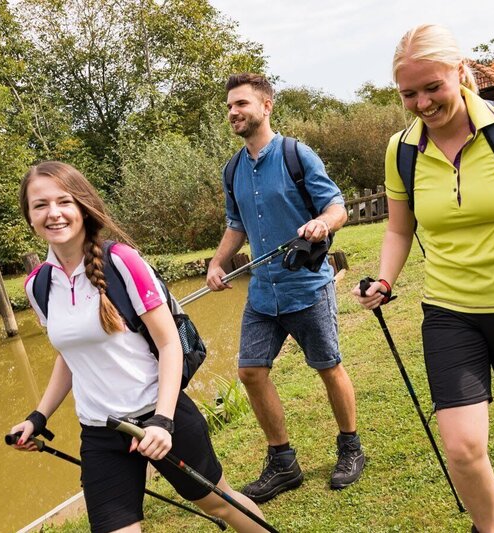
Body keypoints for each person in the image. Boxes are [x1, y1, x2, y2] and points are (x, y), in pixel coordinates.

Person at [352, 25, 494, 533]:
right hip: (450, 312)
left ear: (461, 72)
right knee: (460, 444)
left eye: (432, 87)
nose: (422, 103)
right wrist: (385, 282)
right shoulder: (402, 149)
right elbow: (397, 228)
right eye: (408, 93)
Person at [9, 161, 267, 533]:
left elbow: (168, 344)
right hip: (100, 431)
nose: (53, 213)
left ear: (82, 205)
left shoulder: (122, 261)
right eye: (40, 205)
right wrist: (38, 417)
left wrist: (162, 421)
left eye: (63, 201)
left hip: (161, 416)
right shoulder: (38, 285)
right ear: (29, 217)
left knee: (219, 503)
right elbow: (69, 356)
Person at [206, 73, 365, 503]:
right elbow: (235, 225)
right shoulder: (233, 168)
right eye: (229, 106)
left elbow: (337, 207)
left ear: (266, 106)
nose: (233, 112)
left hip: (307, 286)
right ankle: (283, 462)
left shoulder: (297, 154)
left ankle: (350, 447)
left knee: (328, 367)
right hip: (262, 293)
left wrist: (322, 223)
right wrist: (218, 263)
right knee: (250, 372)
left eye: (241, 103)